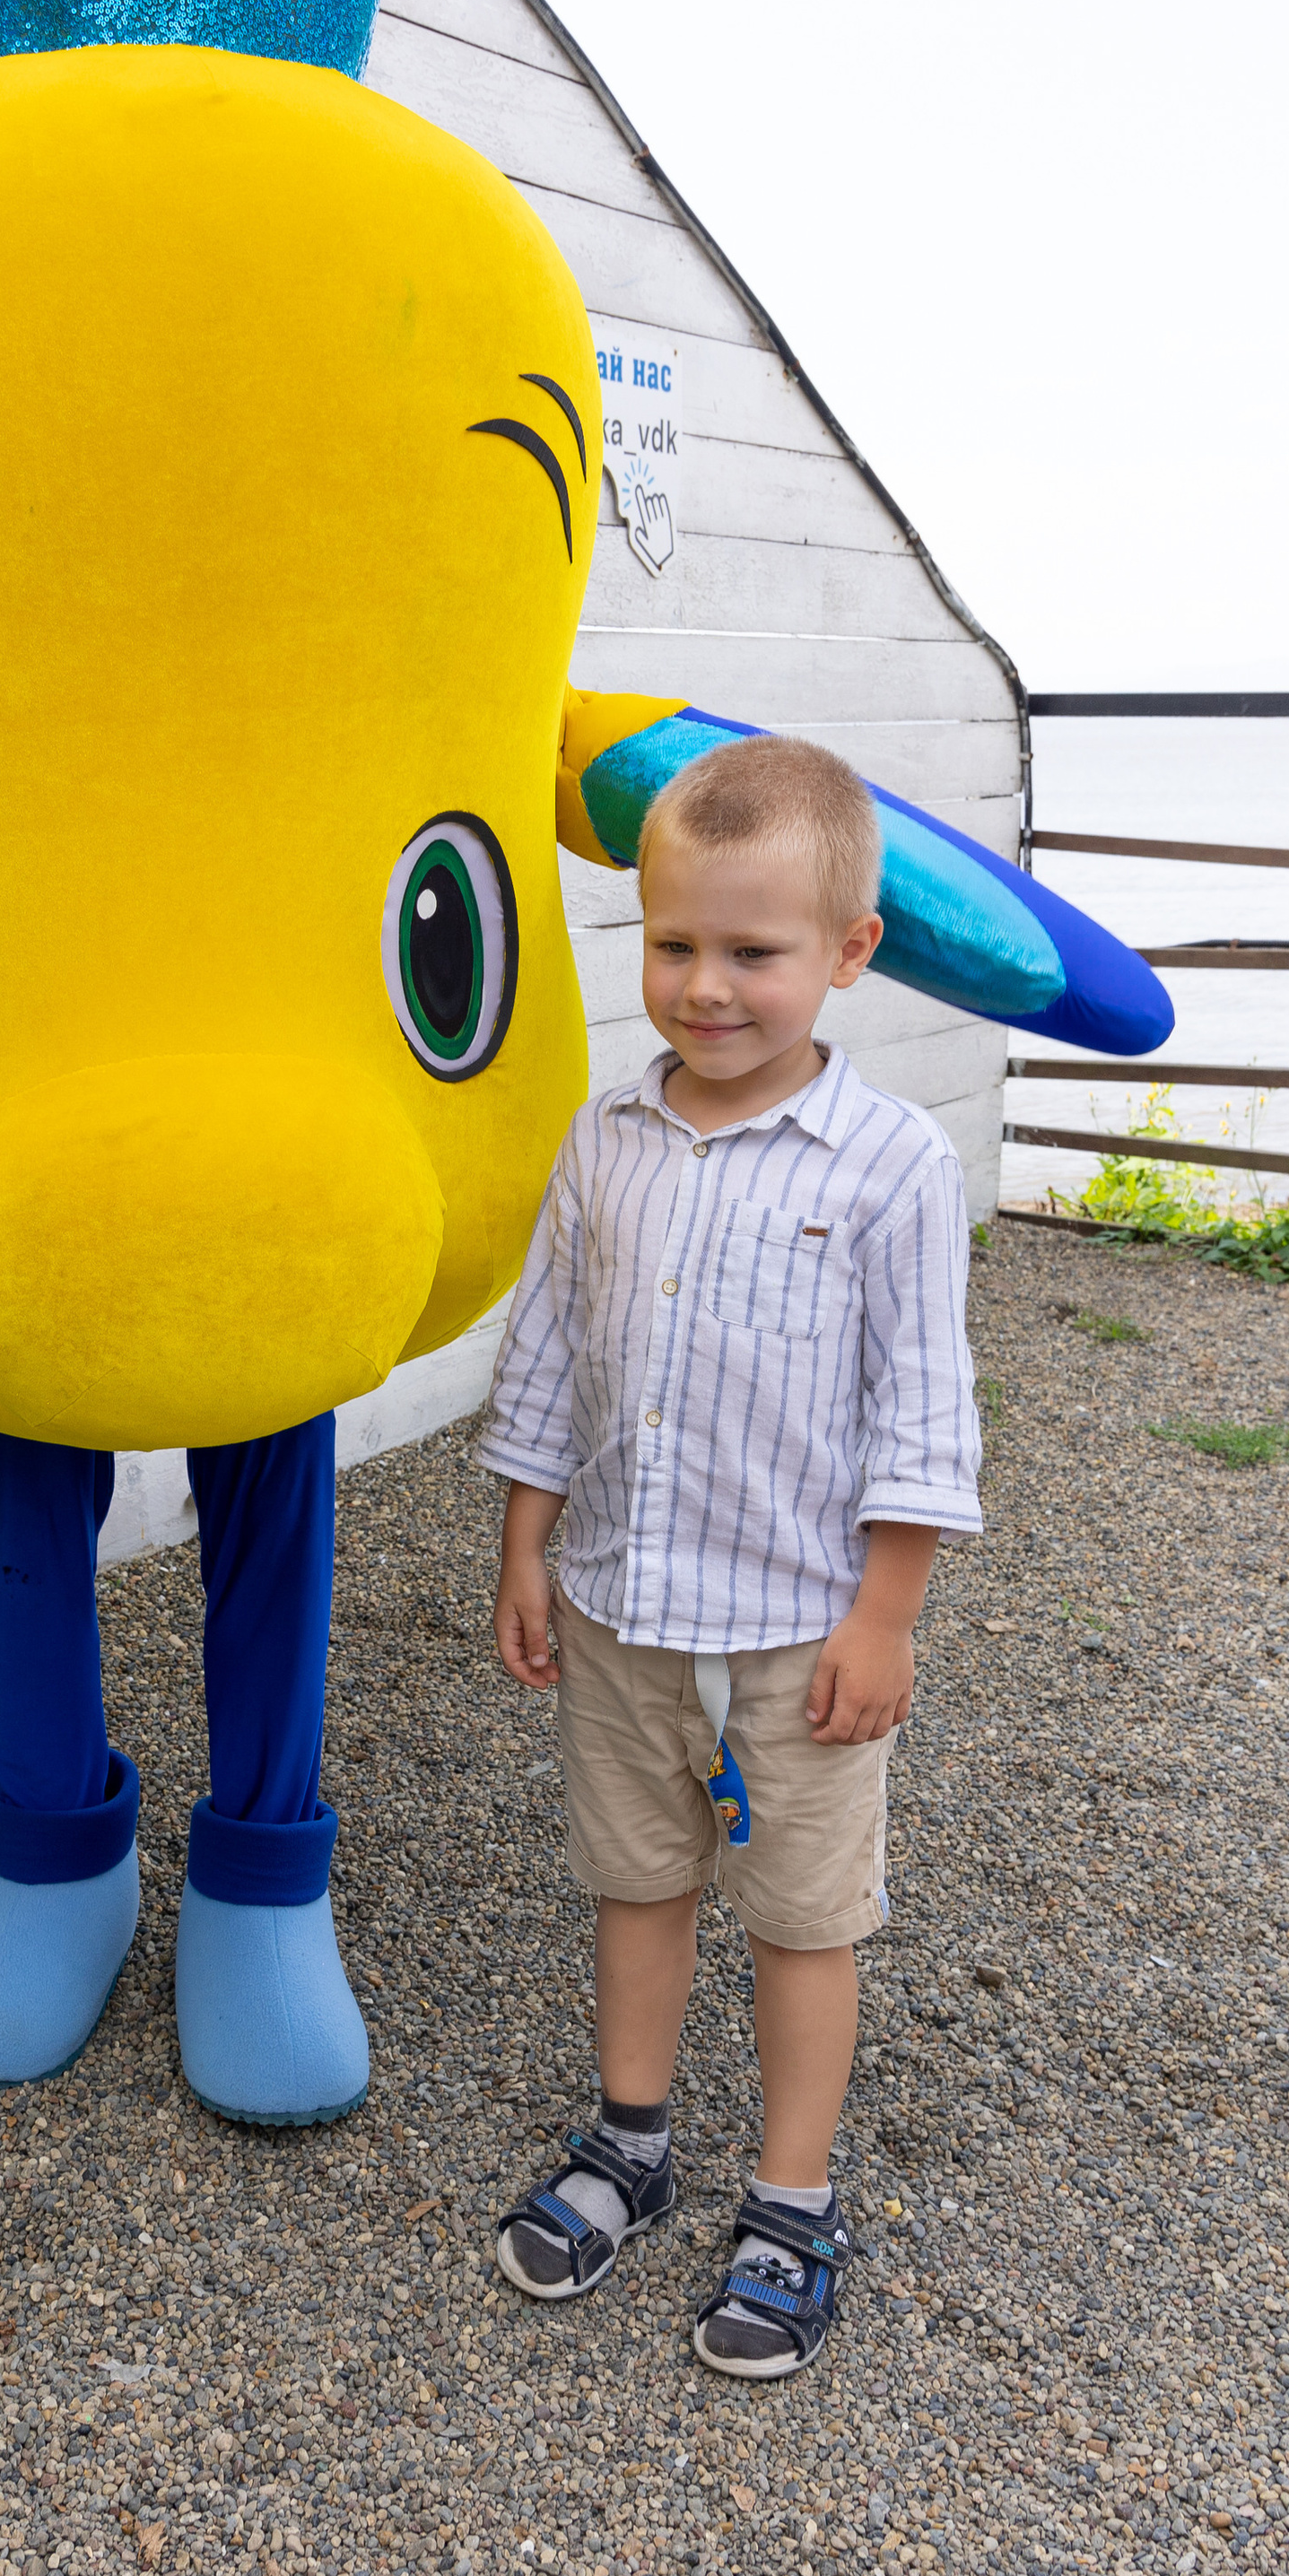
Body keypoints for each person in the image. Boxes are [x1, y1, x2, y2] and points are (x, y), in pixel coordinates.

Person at [479, 733, 982, 2376]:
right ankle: (632, 2139)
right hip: (624, 1613)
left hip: (795, 1632)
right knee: (636, 1883)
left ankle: (791, 2195)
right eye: (674, 943)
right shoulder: (605, 1139)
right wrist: (525, 1550)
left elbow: (922, 1412)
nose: (706, 987)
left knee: (800, 1917)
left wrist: (886, 1613)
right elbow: (551, 1358)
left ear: (848, 953)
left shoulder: (894, 1164)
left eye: (754, 953)